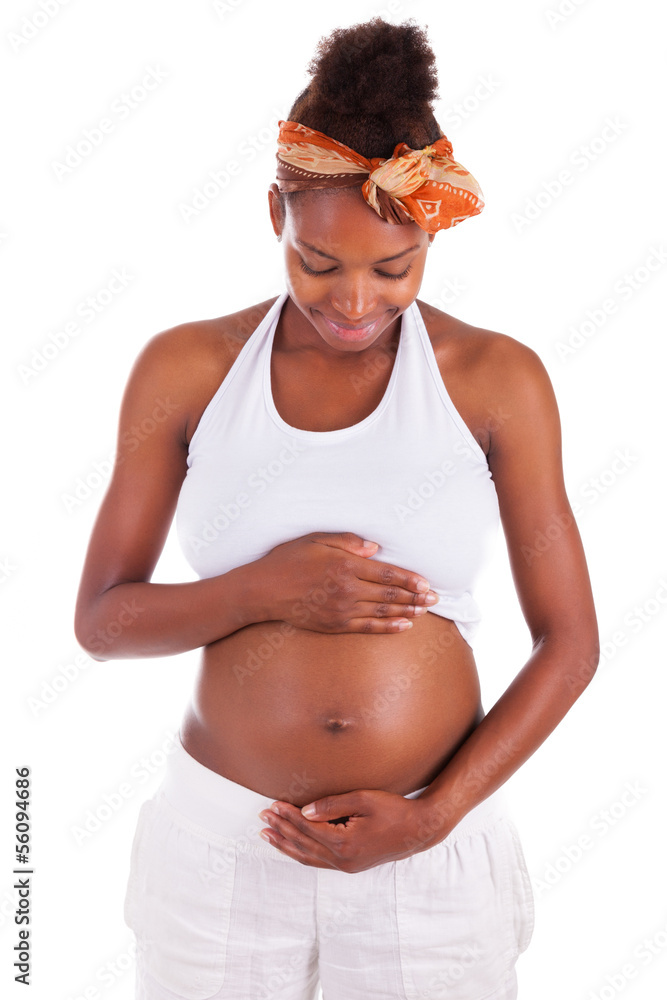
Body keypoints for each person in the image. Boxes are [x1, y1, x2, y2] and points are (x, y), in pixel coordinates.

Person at [74, 16, 599, 1000]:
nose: (353, 301)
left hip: (426, 866)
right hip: (221, 856)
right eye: (318, 263)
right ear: (274, 210)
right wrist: (267, 590)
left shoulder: (498, 380)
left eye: (392, 270)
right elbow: (103, 621)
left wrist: (435, 815)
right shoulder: (184, 369)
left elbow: (569, 643)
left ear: (430, 234)